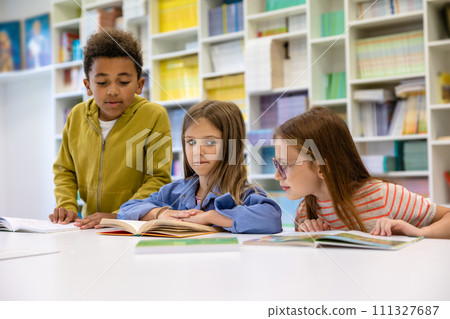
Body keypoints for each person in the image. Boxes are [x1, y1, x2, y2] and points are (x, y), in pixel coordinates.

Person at [51, 29, 172, 229]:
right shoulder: (76, 116)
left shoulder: (154, 116)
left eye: (123, 82)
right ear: (88, 86)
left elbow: (158, 178)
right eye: (102, 82)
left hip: (133, 225)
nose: (113, 90)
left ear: (139, 85)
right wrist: (67, 205)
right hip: (88, 226)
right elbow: (65, 169)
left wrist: (120, 215)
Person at [272, 106, 450, 238]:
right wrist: (310, 238)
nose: (277, 176)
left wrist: (420, 232)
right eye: (276, 164)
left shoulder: (383, 195)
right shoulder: (305, 212)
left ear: (321, 168)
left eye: (284, 165)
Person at [118, 100, 282, 234]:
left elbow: (271, 218)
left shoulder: (243, 194)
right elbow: (126, 209)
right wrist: (161, 213)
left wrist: (211, 217)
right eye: (191, 142)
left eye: (210, 142)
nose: (197, 152)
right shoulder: (172, 192)